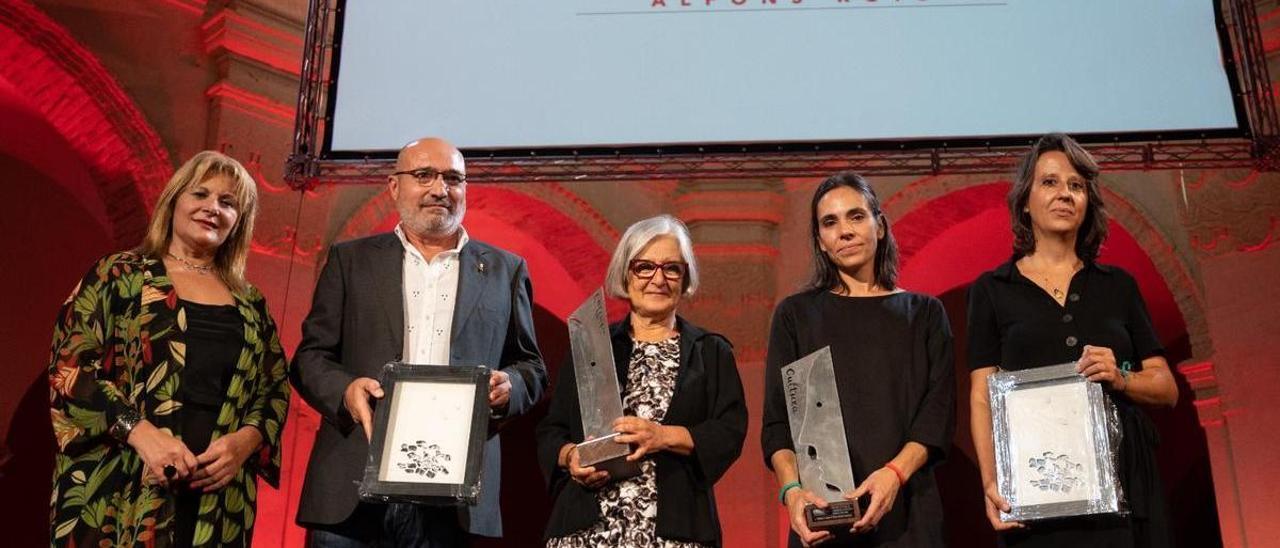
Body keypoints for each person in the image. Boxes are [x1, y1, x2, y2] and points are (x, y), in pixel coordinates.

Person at [291, 137, 547, 546]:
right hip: (352, 489)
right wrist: (346, 391)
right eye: (424, 175)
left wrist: (510, 386)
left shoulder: (506, 270)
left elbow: (531, 368)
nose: (439, 189)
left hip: (456, 496)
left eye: (453, 178)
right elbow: (311, 357)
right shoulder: (350, 261)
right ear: (394, 186)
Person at [47, 151, 290, 547]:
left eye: (228, 203)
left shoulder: (250, 302)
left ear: (239, 221)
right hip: (120, 487)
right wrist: (142, 435)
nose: (213, 208)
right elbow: (71, 370)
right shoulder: (118, 275)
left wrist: (245, 442)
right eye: (201, 194)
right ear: (174, 200)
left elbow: (274, 387)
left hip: (219, 501)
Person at [967, 133, 1178, 547]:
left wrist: (1121, 378)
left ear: (1087, 203)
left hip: (1126, 486)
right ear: (1025, 201)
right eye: (1049, 182)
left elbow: (1166, 388)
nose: (1064, 194)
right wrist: (992, 480)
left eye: (1076, 186)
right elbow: (981, 395)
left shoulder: (1118, 285)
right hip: (1036, 487)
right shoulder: (992, 289)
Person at [761, 173, 955, 547]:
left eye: (856, 216)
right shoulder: (796, 315)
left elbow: (938, 416)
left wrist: (894, 475)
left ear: (879, 226)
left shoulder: (925, 314)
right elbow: (777, 423)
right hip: (824, 522)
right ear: (820, 240)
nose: (844, 232)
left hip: (908, 519)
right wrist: (792, 492)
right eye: (829, 223)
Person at [536, 214, 747, 547]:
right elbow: (551, 430)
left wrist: (663, 436)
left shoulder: (710, 351)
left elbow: (729, 431)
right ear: (626, 273)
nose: (658, 279)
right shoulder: (592, 347)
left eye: (671, 268)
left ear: (685, 277)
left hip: (676, 531)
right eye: (644, 267)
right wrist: (569, 456)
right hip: (589, 529)